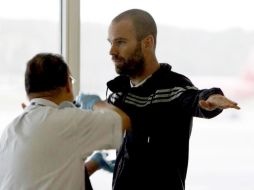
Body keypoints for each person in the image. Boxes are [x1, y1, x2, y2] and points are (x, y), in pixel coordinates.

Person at [79, 8, 240, 190]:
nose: (112, 51)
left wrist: (211, 98)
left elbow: (194, 98)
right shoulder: (119, 91)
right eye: (111, 43)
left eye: (120, 42)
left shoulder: (172, 86)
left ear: (147, 42)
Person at [0, 53, 131, 190]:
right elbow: (123, 120)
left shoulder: (9, 132)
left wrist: (95, 163)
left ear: (28, 91)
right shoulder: (69, 121)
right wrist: (94, 103)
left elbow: (50, 175)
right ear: (68, 85)